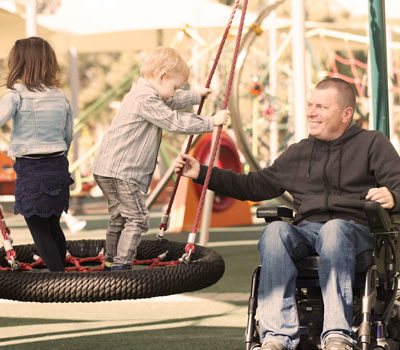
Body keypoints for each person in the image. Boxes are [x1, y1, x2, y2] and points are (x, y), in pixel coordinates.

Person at [174, 77, 400, 350]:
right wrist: (200, 172)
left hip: (355, 230)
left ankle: (337, 335)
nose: (311, 112)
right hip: (307, 231)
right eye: (310, 105)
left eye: (320, 107)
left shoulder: (372, 144)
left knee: (334, 229)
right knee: (275, 231)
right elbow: (252, 185)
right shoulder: (298, 153)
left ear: (346, 114)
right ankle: (277, 338)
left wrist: (393, 196)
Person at [92, 46, 230, 271]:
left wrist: (195, 95)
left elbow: (170, 100)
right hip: (122, 171)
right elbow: (173, 121)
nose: (175, 92)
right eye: (175, 86)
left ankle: (110, 260)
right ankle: (120, 267)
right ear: (162, 76)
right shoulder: (146, 100)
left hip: (105, 168)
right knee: (137, 218)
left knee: (119, 216)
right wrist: (210, 122)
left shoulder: (141, 92)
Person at [0, 37, 74, 272]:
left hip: (32, 169)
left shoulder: (16, 94)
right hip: (58, 166)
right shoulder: (61, 96)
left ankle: (58, 277)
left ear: (18, 63)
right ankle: (60, 271)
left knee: (38, 228)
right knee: (53, 225)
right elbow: (68, 134)